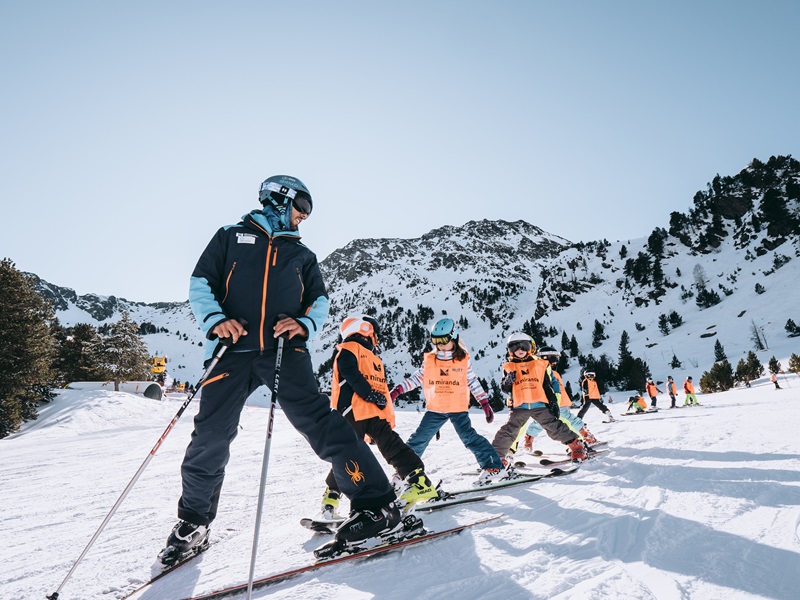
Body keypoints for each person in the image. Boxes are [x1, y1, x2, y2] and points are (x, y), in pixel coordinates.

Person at [160, 175, 400, 565]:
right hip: (231, 350)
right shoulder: (230, 236)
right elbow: (200, 282)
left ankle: (376, 505)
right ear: (278, 198)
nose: (304, 216)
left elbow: (318, 302)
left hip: (284, 351)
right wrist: (215, 320)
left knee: (320, 422)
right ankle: (194, 522)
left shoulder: (301, 255)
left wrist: (304, 325)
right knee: (210, 437)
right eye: (301, 206)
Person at [320, 315, 437, 518]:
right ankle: (331, 498)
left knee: (391, 445)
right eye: (374, 332)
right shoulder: (349, 348)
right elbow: (349, 371)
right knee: (347, 455)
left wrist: (382, 405)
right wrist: (369, 394)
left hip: (373, 412)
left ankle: (420, 482)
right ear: (363, 329)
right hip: (352, 411)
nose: (376, 338)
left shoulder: (373, 357)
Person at [389, 318, 504, 485]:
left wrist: (484, 403)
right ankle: (403, 472)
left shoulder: (463, 360)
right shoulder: (430, 359)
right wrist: (398, 390)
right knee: (418, 439)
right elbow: (417, 378)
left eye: (443, 340)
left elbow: (472, 381)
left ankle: (494, 467)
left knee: (469, 438)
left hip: (457, 408)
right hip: (436, 408)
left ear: (454, 337)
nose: (440, 344)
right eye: (435, 340)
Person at [491, 334, 589, 463]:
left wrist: (554, 401)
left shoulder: (540, 365)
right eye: (514, 347)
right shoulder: (509, 367)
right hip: (520, 406)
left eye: (524, 346)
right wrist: (508, 381)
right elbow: (505, 389)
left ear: (531, 347)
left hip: (540, 404)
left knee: (554, 426)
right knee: (510, 430)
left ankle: (577, 446)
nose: (520, 350)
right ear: (509, 350)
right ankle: (495, 457)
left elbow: (548, 385)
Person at [520, 346, 599, 453]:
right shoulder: (540, 373)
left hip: (559, 403)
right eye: (552, 359)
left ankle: (529, 440)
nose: (555, 362)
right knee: (560, 422)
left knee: (548, 422)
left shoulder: (552, 372)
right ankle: (582, 438)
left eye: (556, 359)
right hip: (548, 404)